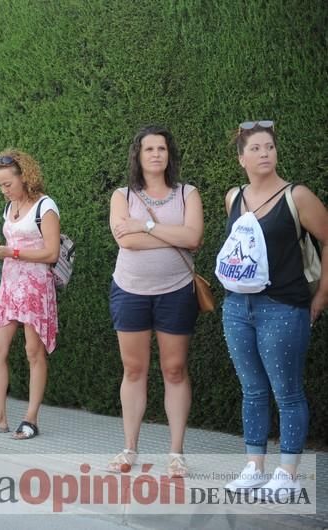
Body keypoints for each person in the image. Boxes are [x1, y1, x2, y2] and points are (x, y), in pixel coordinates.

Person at [220, 121, 328, 496]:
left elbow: (327, 239)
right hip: (237, 307)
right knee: (251, 390)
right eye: (255, 149)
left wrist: (321, 296)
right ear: (241, 158)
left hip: (284, 307)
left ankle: (287, 472)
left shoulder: (296, 196)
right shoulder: (233, 197)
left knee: (287, 392)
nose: (264, 153)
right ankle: (254, 467)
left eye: (269, 147)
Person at [108, 125, 203, 477]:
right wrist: (171, 236)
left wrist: (144, 227)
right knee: (134, 370)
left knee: (174, 370)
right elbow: (125, 242)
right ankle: (129, 448)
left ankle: (176, 453)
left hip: (177, 291)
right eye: (149, 149)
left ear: (169, 154)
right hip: (130, 290)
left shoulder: (187, 194)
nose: (156, 154)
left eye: (162, 148)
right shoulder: (122, 196)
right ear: (138, 155)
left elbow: (193, 238)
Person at [0, 150, 60, 439]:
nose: (4, 190)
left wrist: (12, 252)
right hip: (10, 285)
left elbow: (51, 252)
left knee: (34, 352)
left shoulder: (45, 206)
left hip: (35, 286)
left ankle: (31, 419)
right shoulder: (10, 207)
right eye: (0, 186)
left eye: (8, 184)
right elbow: (13, 242)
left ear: (25, 177)